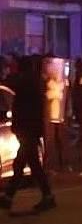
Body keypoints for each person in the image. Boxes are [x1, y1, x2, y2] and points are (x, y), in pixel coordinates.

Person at [2, 56, 54, 212]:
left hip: (27, 128)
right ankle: (10, 196)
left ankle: (10, 196)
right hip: (29, 128)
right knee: (29, 163)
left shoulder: (27, 82)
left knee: (23, 163)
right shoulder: (34, 82)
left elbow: (13, 89)